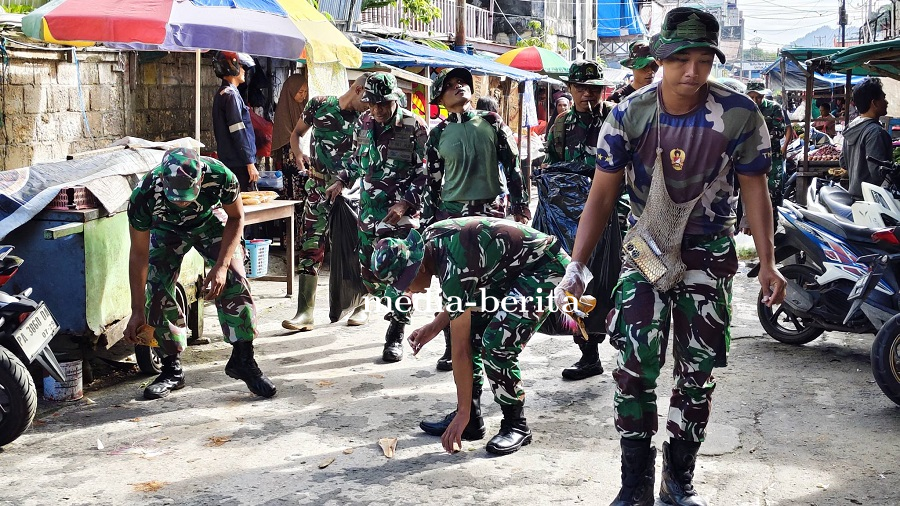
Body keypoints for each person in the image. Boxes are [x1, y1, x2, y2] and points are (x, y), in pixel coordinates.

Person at [557, 8, 786, 505]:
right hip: (646, 251)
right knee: (635, 367)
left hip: (710, 252)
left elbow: (756, 191)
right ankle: (633, 483)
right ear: (661, 57)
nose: (692, 71)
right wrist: (577, 264)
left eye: (704, 60)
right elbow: (600, 196)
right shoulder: (629, 113)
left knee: (697, 372)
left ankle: (677, 481)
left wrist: (767, 262)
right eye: (681, 58)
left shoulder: (741, 113)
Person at [372, 217, 569, 455]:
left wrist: (461, 412)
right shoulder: (432, 244)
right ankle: (473, 420)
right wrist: (434, 326)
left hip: (544, 268)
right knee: (475, 329)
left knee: (497, 343)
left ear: (419, 267)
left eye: (406, 283)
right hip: (509, 271)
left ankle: (516, 424)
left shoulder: (453, 265)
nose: (408, 290)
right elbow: (461, 299)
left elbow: (461, 349)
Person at [124, 148, 277, 400]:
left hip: (209, 221)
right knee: (158, 285)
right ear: (163, 179)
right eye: (177, 197)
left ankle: (243, 360)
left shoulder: (221, 176)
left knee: (235, 277)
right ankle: (171, 368)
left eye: (187, 196)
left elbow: (237, 217)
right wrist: (137, 310)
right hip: (166, 229)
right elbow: (139, 256)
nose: (182, 202)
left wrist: (221, 266)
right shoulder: (144, 195)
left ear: (200, 179)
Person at [420, 67, 531, 373]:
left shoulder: (492, 122)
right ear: (440, 97)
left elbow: (513, 166)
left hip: (491, 214)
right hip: (453, 218)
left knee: (492, 281)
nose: (459, 88)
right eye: (451, 85)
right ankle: (452, 346)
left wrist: (521, 205)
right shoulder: (438, 134)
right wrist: (431, 223)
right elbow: (431, 182)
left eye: (462, 83)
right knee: (453, 284)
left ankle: (490, 343)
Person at [324, 73, 429, 362]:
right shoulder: (365, 122)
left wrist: (405, 204)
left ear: (395, 99)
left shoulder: (414, 127)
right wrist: (342, 180)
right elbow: (359, 160)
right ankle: (394, 307)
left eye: (383, 103)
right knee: (370, 275)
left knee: (397, 272)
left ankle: (396, 329)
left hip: (400, 218)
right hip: (369, 213)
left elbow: (426, 173)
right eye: (372, 104)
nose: (378, 110)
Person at [543, 60, 620, 381]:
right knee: (579, 286)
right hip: (575, 222)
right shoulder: (561, 125)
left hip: (618, 216)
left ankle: (631, 353)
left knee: (617, 285)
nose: (588, 93)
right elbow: (552, 166)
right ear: (571, 89)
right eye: (581, 88)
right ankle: (589, 355)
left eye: (594, 88)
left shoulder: (618, 118)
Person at [281, 73, 371, 332]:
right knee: (310, 245)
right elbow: (297, 134)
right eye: (367, 99)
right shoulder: (319, 104)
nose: (371, 106)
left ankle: (360, 304)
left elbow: (365, 158)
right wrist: (299, 154)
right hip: (318, 187)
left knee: (355, 247)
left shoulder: (366, 119)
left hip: (351, 192)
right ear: (357, 89)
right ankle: (305, 312)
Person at [211, 51, 259, 191]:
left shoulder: (224, 93)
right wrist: (249, 162)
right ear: (233, 67)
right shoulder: (230, 95)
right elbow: (238, 130)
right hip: (239, 163)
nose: (244, 71)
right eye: (242, 66)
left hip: (232, 160)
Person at [746, 78, 788, 230]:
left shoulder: (774, 108)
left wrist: (758, 136)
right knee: (750, 195)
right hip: (750, 157)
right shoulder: (744, 109)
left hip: (772, 157)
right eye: (752, 97)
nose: (756, 100)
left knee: (774, 191)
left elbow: (780, 131)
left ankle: (773, 226)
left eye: (759, 97)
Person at [842, 77, 893, 201]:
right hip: (872, 201)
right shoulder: (875, 132)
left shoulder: (851, 128)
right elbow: (878, 173)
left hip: (854, 196)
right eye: (883, 98)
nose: (886, 102)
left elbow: (843, 162)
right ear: (874, 103)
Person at [272, 72, 310, 202]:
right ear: (291, 91)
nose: (303, 95)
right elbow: (285, 136)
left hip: (305, 155)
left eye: (305, 91)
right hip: (290, 155)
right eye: (300, 92)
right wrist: (297, 150)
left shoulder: (306, 107)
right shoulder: (283, 110)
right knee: (294, 192)